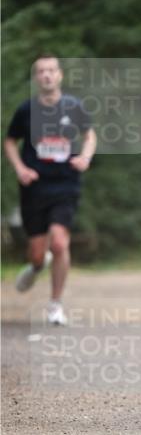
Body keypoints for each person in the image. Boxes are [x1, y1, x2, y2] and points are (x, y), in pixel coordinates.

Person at [4, 55, 97, 325]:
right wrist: (20, 168)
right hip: (35, 186)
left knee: (59, 242)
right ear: (36, 78)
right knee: (36, 253)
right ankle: (36, 264)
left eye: (51, 70)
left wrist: (86, 158)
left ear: (59, 76)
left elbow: (89, 135)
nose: (46, 75)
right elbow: (10, 142)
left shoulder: (74, 107)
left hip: (65, 183)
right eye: (41, 71)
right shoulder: (26, 110)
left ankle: (55, 305)